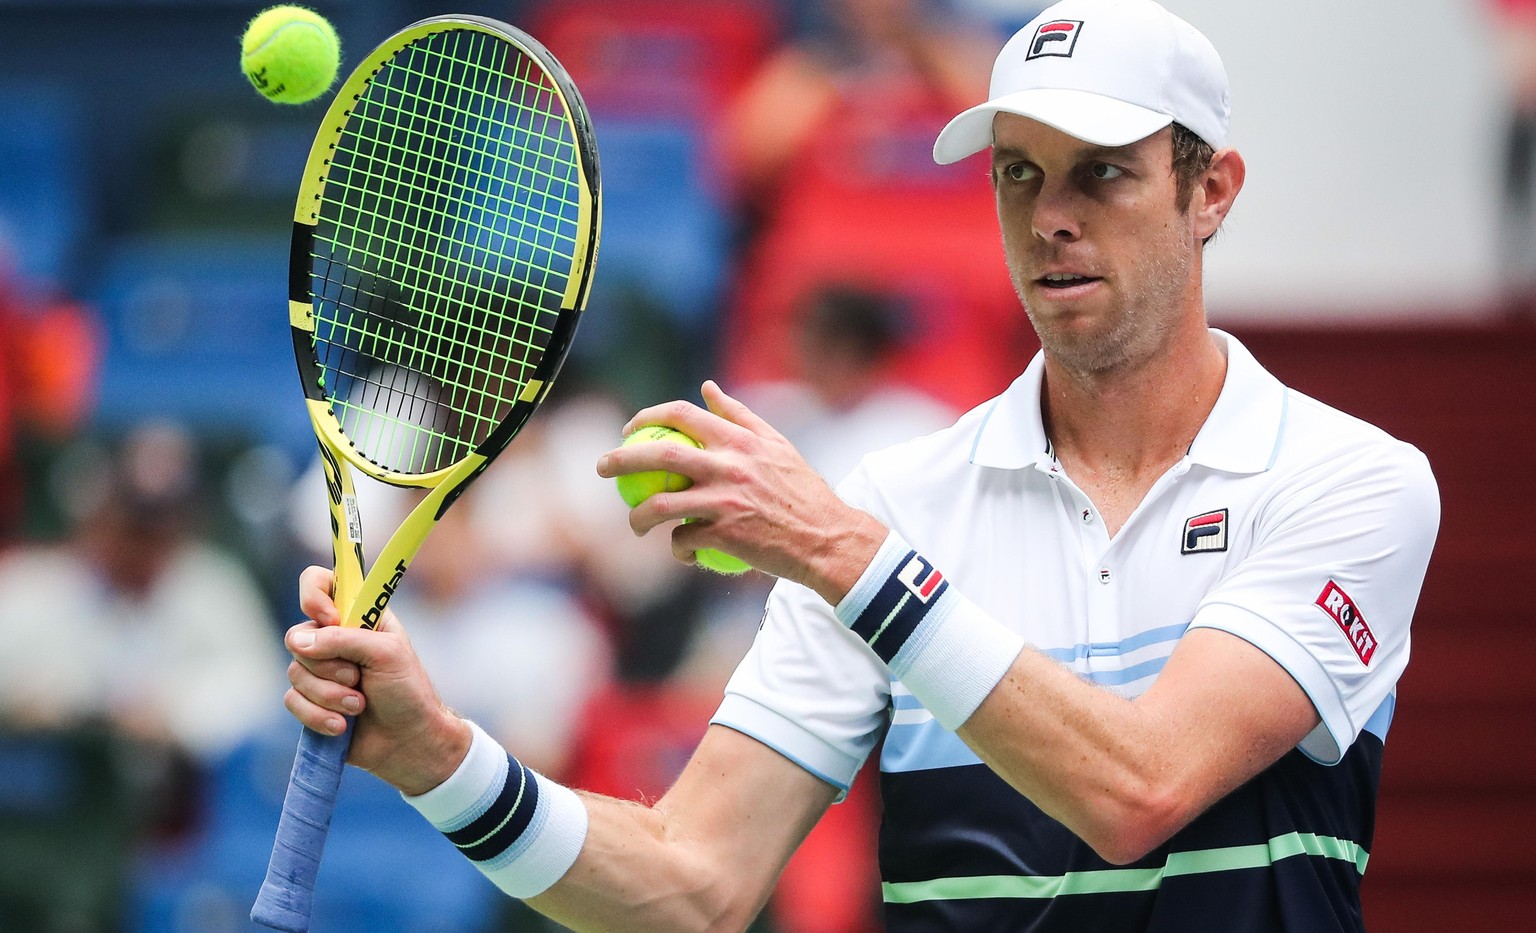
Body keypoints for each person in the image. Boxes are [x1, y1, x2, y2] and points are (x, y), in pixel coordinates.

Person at [280, 1, 1441, 930]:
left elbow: (1139, 794)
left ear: (1211, 193)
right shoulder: (902, 504)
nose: (1050, 218)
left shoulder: (1349, 482)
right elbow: (693, 888)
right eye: (1019, 174)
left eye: (1104, 172)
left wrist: (840, 551)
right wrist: (443, 760)